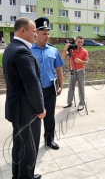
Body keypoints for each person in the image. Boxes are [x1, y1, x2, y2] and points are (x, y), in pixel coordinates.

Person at [3, 17, 46, 179]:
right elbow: (31, 83)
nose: (36, 35)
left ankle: (17, 175)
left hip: (17, 108)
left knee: (19, 145)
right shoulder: (22, 51)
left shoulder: (11, 48)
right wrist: (40, 109)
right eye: (34, 31)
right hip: (27, 110)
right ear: (23, 30)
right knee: (29, 147)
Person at [31, 17, 64, 150]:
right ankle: (33, 143)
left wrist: (61, 85)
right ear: (36, 34)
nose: (47, 36)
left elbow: (59, 68)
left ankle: (49, 140)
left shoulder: (53, 50)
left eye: (48, 33)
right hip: (34, 91)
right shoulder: (29, 51)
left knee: (49, 116)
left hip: (50, 89)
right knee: (34, 118)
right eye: (44, 33)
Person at [62, 36, 89, 111]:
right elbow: (63, 57)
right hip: (72, 71)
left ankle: (81, 103)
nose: (80, 43)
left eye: (81, 42)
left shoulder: (84, 51)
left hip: (80, 71)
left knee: (81, 88)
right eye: (78, 42)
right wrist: (65, 49)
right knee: (70, 87)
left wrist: (80, 61)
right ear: (75, 42)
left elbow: (86, 63)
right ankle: (69, 102)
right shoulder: (71, 49)